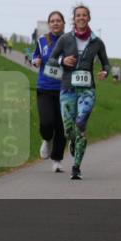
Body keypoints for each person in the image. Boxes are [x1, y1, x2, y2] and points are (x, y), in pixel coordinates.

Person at [48, 5, 110, 180]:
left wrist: (105, 71)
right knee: (69, 130)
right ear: (73, 19)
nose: (81, 18)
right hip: (67, 88)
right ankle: (73, 141)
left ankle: (76, 167)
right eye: (78, 15)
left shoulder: (97, 42)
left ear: (89, 18)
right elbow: (51, 60)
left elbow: (106, 63)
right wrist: (62, 60)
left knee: (81, 123)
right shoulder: (65, 39)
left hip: (87, 90)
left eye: (84, 15)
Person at [31, 11, 67, 172]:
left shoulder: (69, 41)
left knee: (61, 126)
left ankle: (57, 159)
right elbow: (35, 55)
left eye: (58, 20)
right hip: (44, 87)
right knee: (46, 122)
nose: (55, 23)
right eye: (52, 21)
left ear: (63, 23)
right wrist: (35, 60)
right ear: (49, 24)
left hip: (64, 89)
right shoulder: (42, 40)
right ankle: (47, 139)